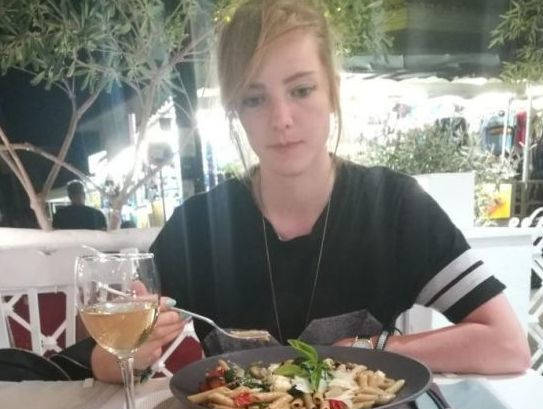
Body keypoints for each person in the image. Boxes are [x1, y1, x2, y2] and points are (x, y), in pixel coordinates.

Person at [91, 0, 530, 383]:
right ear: (235, 111)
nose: (281, 119)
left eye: (301, 90)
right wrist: (132, 352)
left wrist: (372, 349)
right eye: (254, 98)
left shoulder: (394, 206)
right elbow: (100, 364)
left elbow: (508, 345)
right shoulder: (200, 226)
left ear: (332, 93)